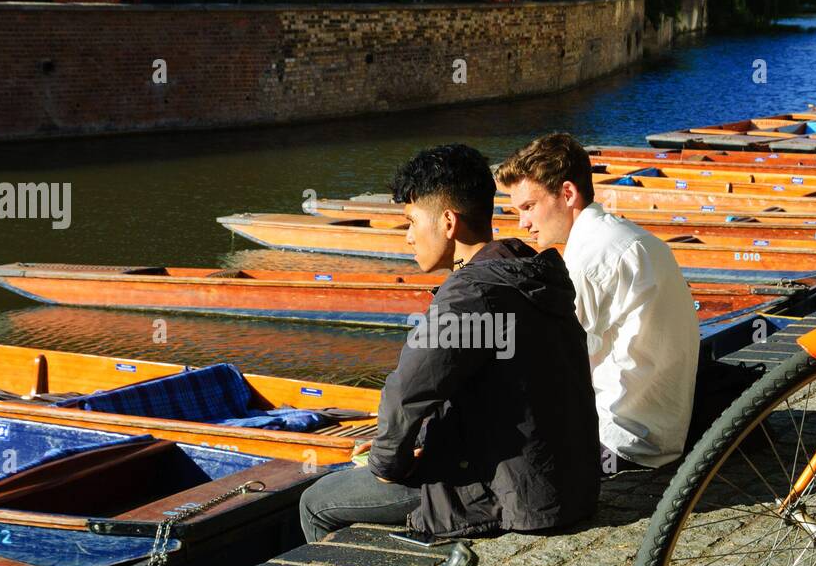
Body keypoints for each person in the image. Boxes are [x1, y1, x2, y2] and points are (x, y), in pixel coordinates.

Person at [298, 144, 599, 544]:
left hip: (510, 497)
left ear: (447, 222)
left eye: (410, 222)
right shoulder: (527, 272)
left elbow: (405, 394)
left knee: (315, 502)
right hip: (566, 484)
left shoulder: (469, 295)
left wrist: (387, 465)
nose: (407, 237)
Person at [496, 133, 700, 475]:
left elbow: (553, 366)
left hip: (621, 442)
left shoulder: (590, 259)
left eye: (528, 207)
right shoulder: (626, 236)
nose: (522, 224)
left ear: (567, 193)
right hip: (663, 429)